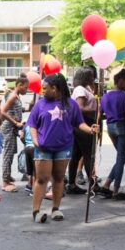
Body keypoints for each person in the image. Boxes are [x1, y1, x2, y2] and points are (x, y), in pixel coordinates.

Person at [27, 74, 98, 223]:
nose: (42, 90)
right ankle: (36, 212)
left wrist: (91, 129)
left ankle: (56, 209)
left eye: (45, 88)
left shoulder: (71, 104)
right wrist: (34, 139)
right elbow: (32, 124)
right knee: (42, 179)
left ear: (55, 89)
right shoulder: (40, 104)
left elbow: (79, 123)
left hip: (63, 147)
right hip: (43, 148)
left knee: (59, 178)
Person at [96, 70, 125, 200]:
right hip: (122, 127)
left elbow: (99, 114)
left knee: (121, 158)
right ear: (121, 81)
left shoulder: (105, 96)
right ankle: (116, 190)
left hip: (110, 128)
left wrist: (98, 128)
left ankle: (106, 185)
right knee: (121, 158)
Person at [67, 66, 99, 195]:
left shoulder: (83, 88)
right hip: (84, 125)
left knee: (76, 155)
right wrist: (96, 109)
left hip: (80, 126)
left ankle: (72, 184)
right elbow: (79, 109)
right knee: (88, 155)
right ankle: (92, 185)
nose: (93, 77)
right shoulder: (80, 90)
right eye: (91, 75)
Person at [0, 72, 33, 191]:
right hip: (9, 128)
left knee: (11, 152)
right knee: (8, 154)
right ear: (19, 85)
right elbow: (3, 112)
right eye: (25, 87)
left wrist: (28, 106)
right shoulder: (13, 96)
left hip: (14, 128)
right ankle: (5, 182)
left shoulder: (17, 96)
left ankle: (7, 176)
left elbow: (18, 110)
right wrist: (15, 123)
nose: (27, 89)